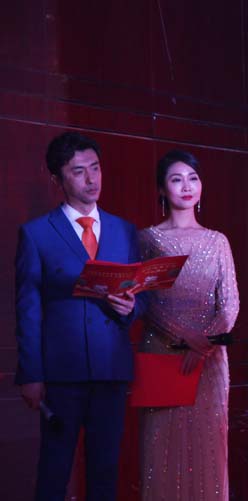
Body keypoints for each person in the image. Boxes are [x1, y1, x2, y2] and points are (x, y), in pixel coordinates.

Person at [15, 131, 142, 500]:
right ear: (58, 178)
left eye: (96, 168)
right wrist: (31, 374)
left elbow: (142, 295)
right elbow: (27, 309)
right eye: (79, 171)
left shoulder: (124, 230)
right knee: (54, 471)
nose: (91, 179)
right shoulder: (37, 234)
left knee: (105, 472)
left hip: (110, 370)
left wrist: (131, 307)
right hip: (61, 374)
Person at [138, 149, 239, 501]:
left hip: (210, 363)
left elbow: (230, 306)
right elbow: (144, 301)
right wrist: (185, 339)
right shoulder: (147, 240)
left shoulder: (217, 241)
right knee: (160, 453)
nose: (186, 186)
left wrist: (204, 344)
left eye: (193, 178)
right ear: (161, 189)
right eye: (176, 179)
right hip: (161, 355)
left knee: (209, 451)